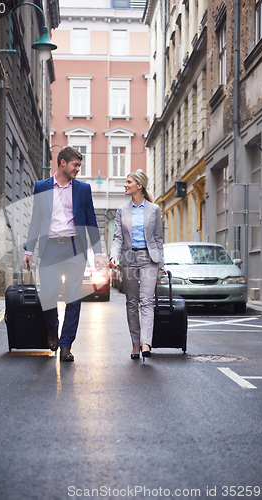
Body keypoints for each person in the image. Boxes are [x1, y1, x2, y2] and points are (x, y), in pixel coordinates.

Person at [23, 146, 104, 361]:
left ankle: (66, 344)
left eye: (79, 165)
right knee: (48, 295)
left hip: (74, 248)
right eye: (75, 165)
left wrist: (98, 253)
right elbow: (36, 219)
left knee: (73, 299)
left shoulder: (83, 189)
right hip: (50, 248)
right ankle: (52, 328)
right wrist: (28, 249)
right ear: (62, 163)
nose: (78, 169)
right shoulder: (41, 187)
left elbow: (91, 221)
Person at [110, 170, 164, 359]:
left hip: (149, 259)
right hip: (128, 260)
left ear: (139, 186)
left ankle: (146, 343)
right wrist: (113, 256)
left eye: (128, 182)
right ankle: (135, 344)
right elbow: (117, 236)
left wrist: (161, 263)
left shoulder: (154, 209)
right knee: (132, 302)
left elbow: (158, 238)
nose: (125, 184)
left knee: (147, 301)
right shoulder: (122, 211)